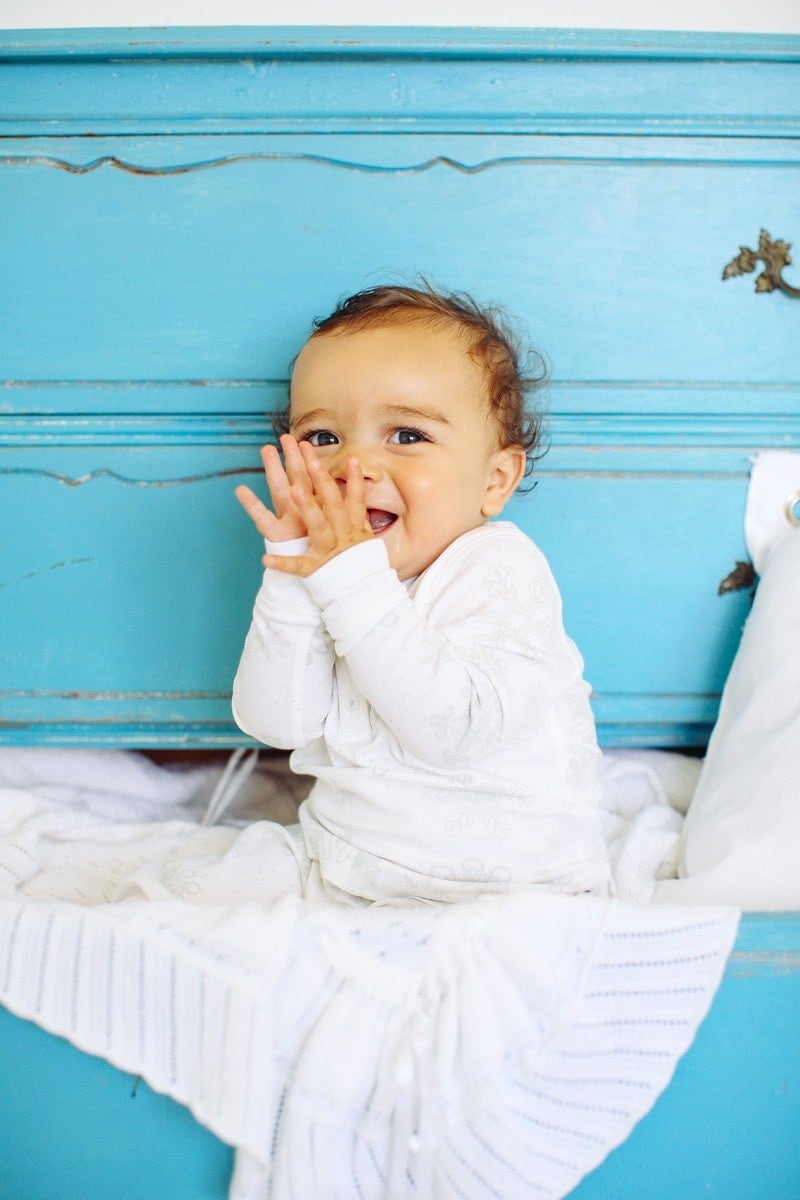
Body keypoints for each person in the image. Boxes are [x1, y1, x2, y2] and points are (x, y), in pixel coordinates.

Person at [232, 284, 610, 904]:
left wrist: (348, 578)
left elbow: (452, 733)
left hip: (514, 886)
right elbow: (279, 723)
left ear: (494, 481)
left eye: (406, 436)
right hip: (351, 868)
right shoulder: (332, 574)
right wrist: (292, 574)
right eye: (323, 438)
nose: (353, 467)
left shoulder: (498, 568)